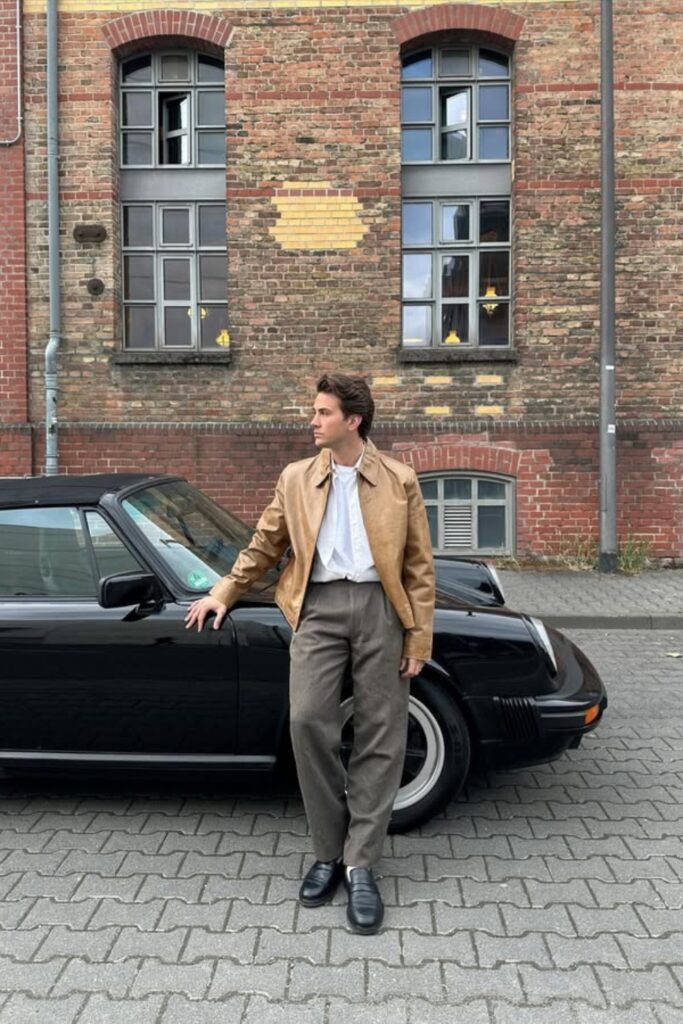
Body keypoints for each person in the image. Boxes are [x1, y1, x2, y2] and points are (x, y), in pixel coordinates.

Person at [185, 373, 435, 934]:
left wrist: (418, 638)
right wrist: (224, 592)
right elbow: (265, 544)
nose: (313, 421)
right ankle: (328, 850)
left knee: (382, 732)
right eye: (315, 411)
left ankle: (361, 863)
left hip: (381, 608)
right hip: (318, 608)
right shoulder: (297, 477)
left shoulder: (399, 479)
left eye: (323, 412)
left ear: (353, 420)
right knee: (307, 721)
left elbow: (419, 566)